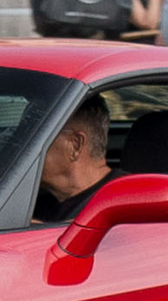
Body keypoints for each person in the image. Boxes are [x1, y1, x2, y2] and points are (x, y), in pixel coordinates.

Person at [36, 93, 113, 223]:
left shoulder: (126, 200)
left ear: (75, 145)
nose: (28, 148)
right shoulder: (35, 203)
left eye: (38, 137)